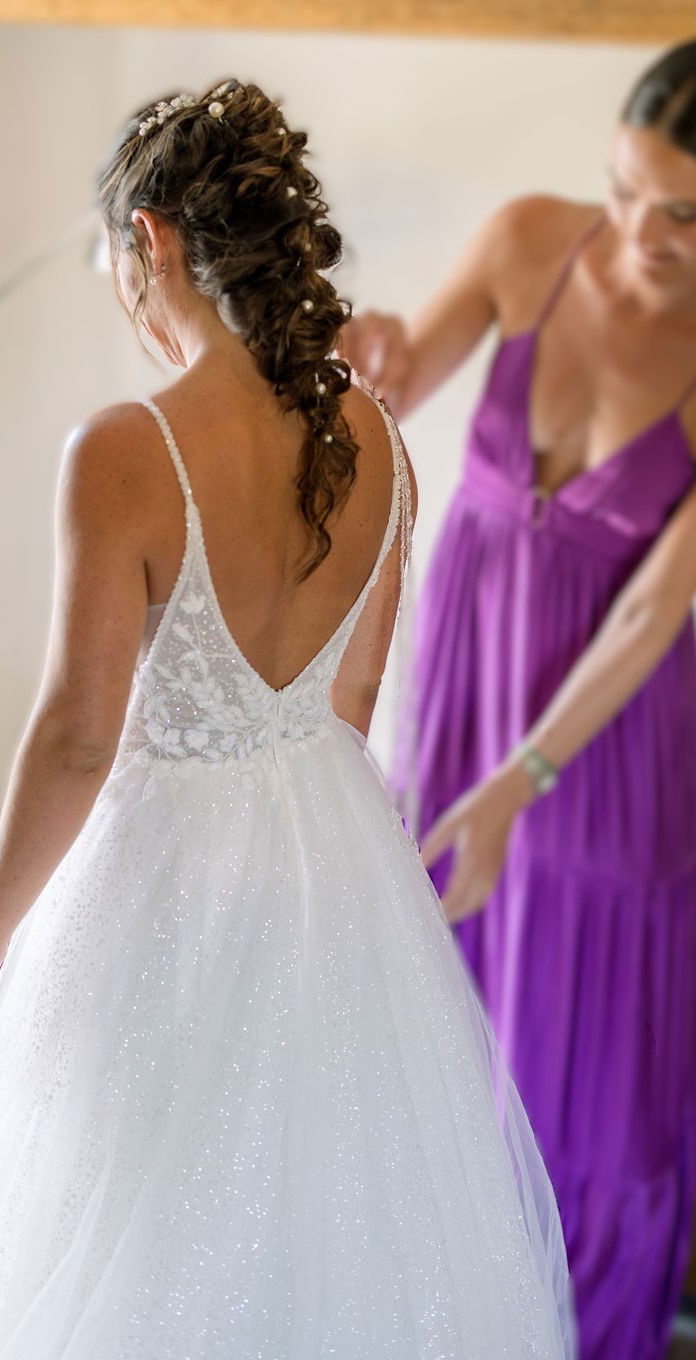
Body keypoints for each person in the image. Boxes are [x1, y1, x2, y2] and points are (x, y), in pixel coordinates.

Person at [0, 79, 573, 1358]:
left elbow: (75, 731)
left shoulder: (126, 446)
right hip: (335, 889)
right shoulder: (377, 438)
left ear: (153, 240)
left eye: (119, 255)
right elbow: (348, 709)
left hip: (153, 883)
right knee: (320, 1233)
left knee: (121, 1213)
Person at [340, 38, 696, 1360]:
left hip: (605, 750)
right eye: (622, 190)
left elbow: (660, 606)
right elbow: (387, 392)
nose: (637, 236)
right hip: (462, 703)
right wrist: (366, 348)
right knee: (447, 1039)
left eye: (683, 214)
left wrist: (523, 783)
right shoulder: (527, 242)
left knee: (596, 1097)